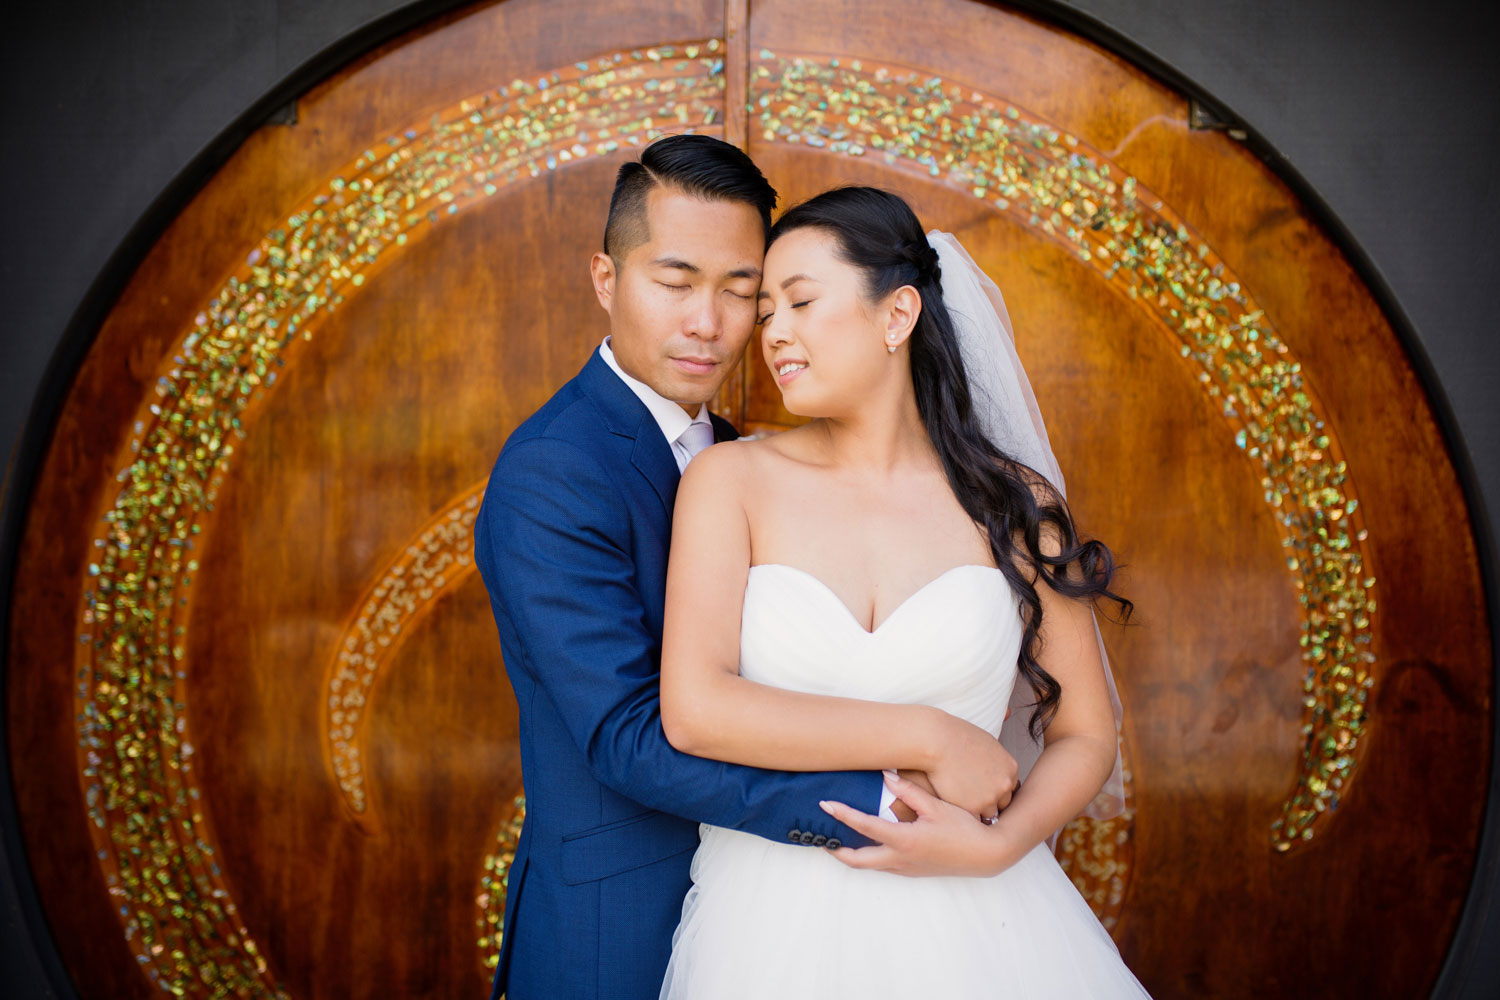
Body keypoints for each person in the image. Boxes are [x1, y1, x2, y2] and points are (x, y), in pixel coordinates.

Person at [474, 139, 1019, 1000]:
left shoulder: (742, 461)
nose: (710, 322)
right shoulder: (553, 468)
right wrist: (886, 796)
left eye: (741, 293)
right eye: (675, 282)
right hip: (619, 931)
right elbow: (628, 737)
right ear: (607, 280)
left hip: (787, 928)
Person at [658, 186, 1149, 997]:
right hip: (767, 927)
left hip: (985, 922)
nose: (773, 330)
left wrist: (1000, 845)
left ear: (898, 315)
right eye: (767, 308)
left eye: (803, 302)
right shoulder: (730, 481)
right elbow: (695, 706)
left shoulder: (1013, 504)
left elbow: (1088, 732)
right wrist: (929, 736)